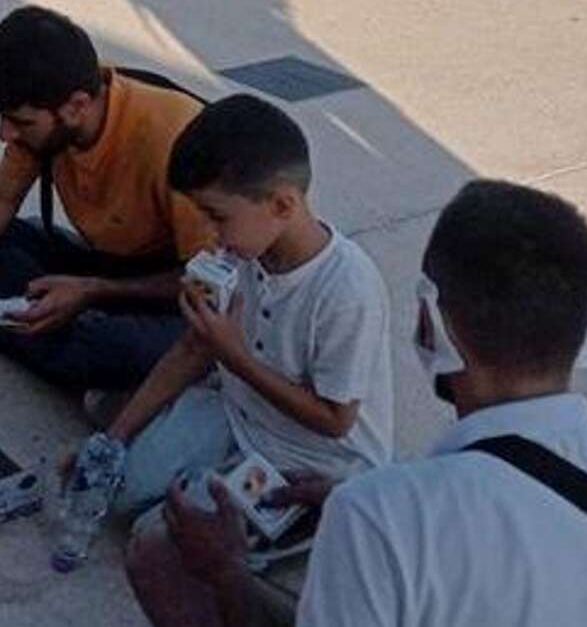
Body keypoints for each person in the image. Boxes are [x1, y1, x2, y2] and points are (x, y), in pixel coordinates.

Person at [133, 180, 587, 627]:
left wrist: (226, 570)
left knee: (159, 555)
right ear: (585, 325)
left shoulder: (382, 516)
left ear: (428, 325)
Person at [0, 7, 215, 394]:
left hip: (175, 288)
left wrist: (92, 290)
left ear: (77, 107)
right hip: (104, 267)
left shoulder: (176, 136)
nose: (5, 134)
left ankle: (3, 327)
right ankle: (68, 347)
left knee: (119, 347)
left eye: (19, 122)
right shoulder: (53, 105)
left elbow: (212, 286)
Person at [98, 95, 392, 524]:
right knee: (118, 491)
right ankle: (170, 446)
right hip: (236, 413)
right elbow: (190, 351)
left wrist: (233, 355)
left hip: (310, 461)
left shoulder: (347, 288)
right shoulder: (238, 256)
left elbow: (335, 420)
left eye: (217, 217)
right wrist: (114, 438)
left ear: (282, 205)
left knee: (158, 535)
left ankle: (316, 518)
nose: (210, 234)